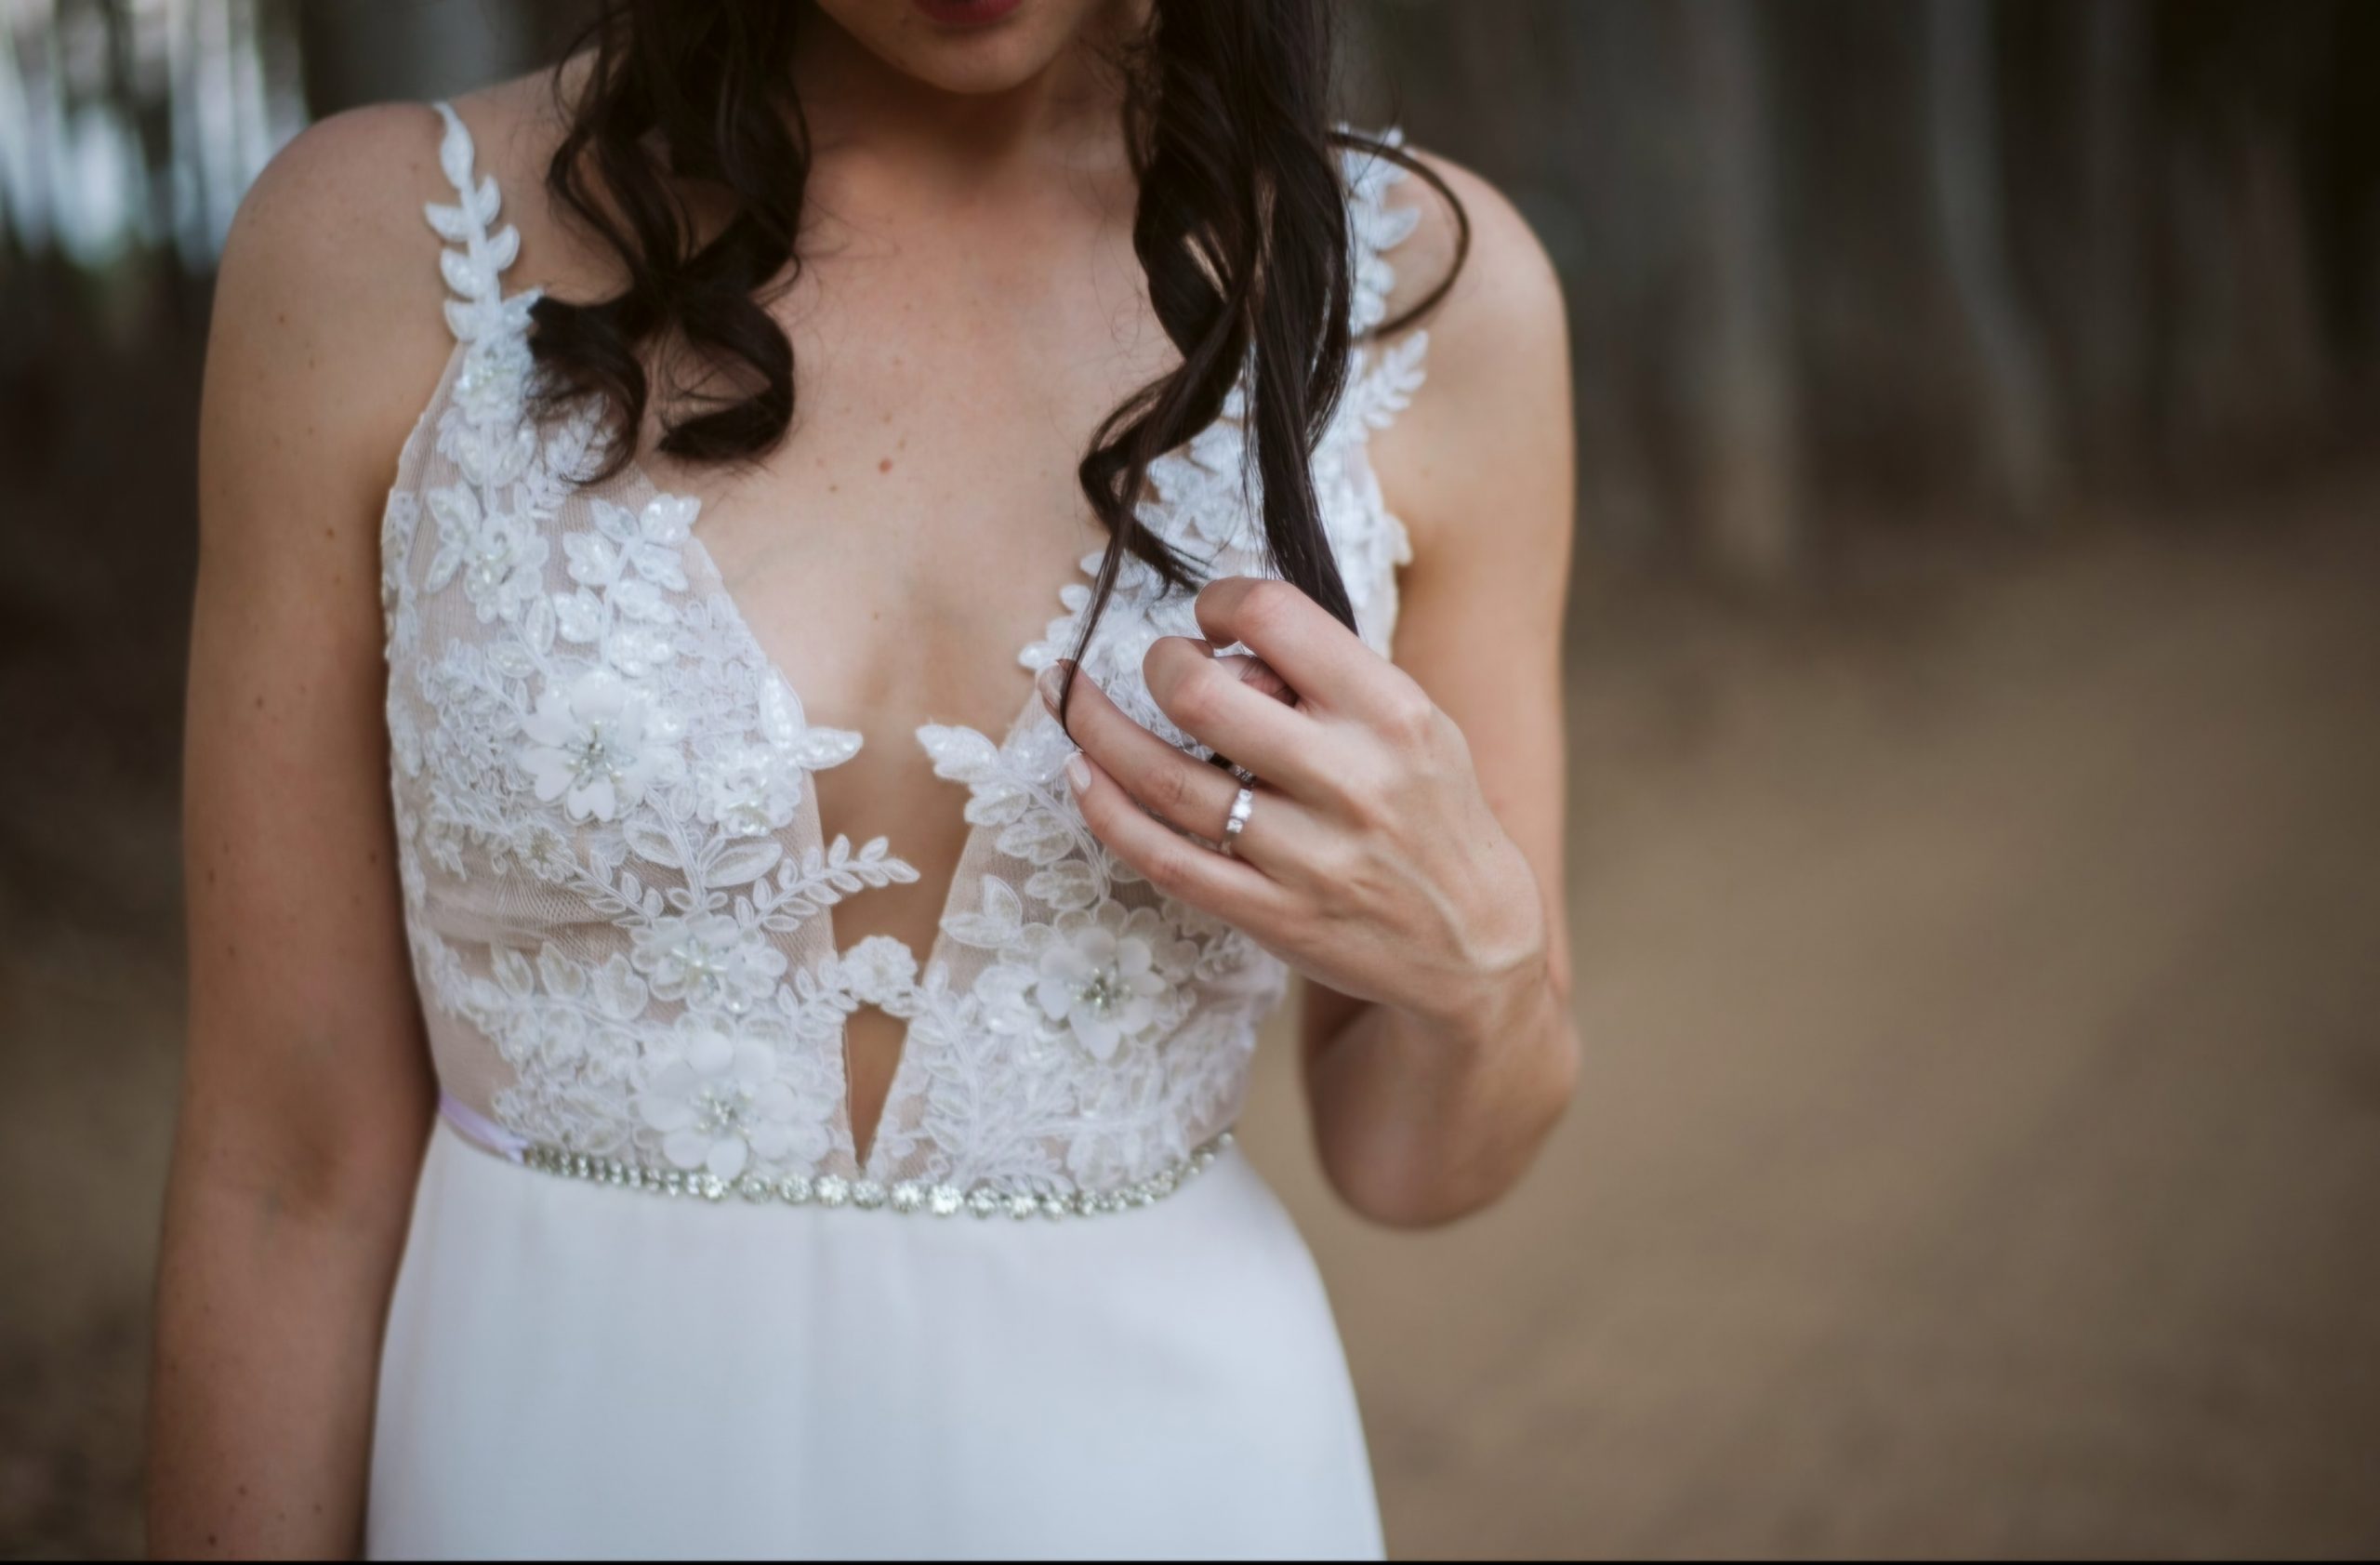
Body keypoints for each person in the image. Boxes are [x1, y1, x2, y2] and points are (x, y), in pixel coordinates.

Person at [148, 0, 1578, 1556]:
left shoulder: (1430, 301)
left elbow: (1412, 1161)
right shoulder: (374, 250)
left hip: (1166, 1484)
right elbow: (287, 1176)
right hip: (547, 1475)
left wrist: (1486, 970)